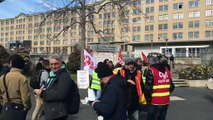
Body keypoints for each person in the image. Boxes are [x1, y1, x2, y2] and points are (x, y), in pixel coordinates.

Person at [34, 55, 73, 120]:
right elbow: (51, 89)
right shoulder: (52, 75)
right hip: (51, 111)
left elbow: (60, 94)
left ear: (61, 63)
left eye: (56, 64)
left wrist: (43, 93)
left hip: (58, 113)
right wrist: (42, 90)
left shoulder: (64, 76)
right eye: (51, 64)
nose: (54, 66)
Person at [0, 54, 31, 120]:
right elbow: (25, 98)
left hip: (6, 109)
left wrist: (4, 103)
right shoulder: (22, 78)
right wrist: (27, 107)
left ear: (12, 64)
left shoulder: (3, 77)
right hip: (18, 109)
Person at [144, 54, 175, 120]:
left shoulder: (151, 71)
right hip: (166, 100)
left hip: (154, 101)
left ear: (150, 62)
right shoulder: (167, 70)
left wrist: (148, 100)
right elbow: (172, 86)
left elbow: (147, 89)